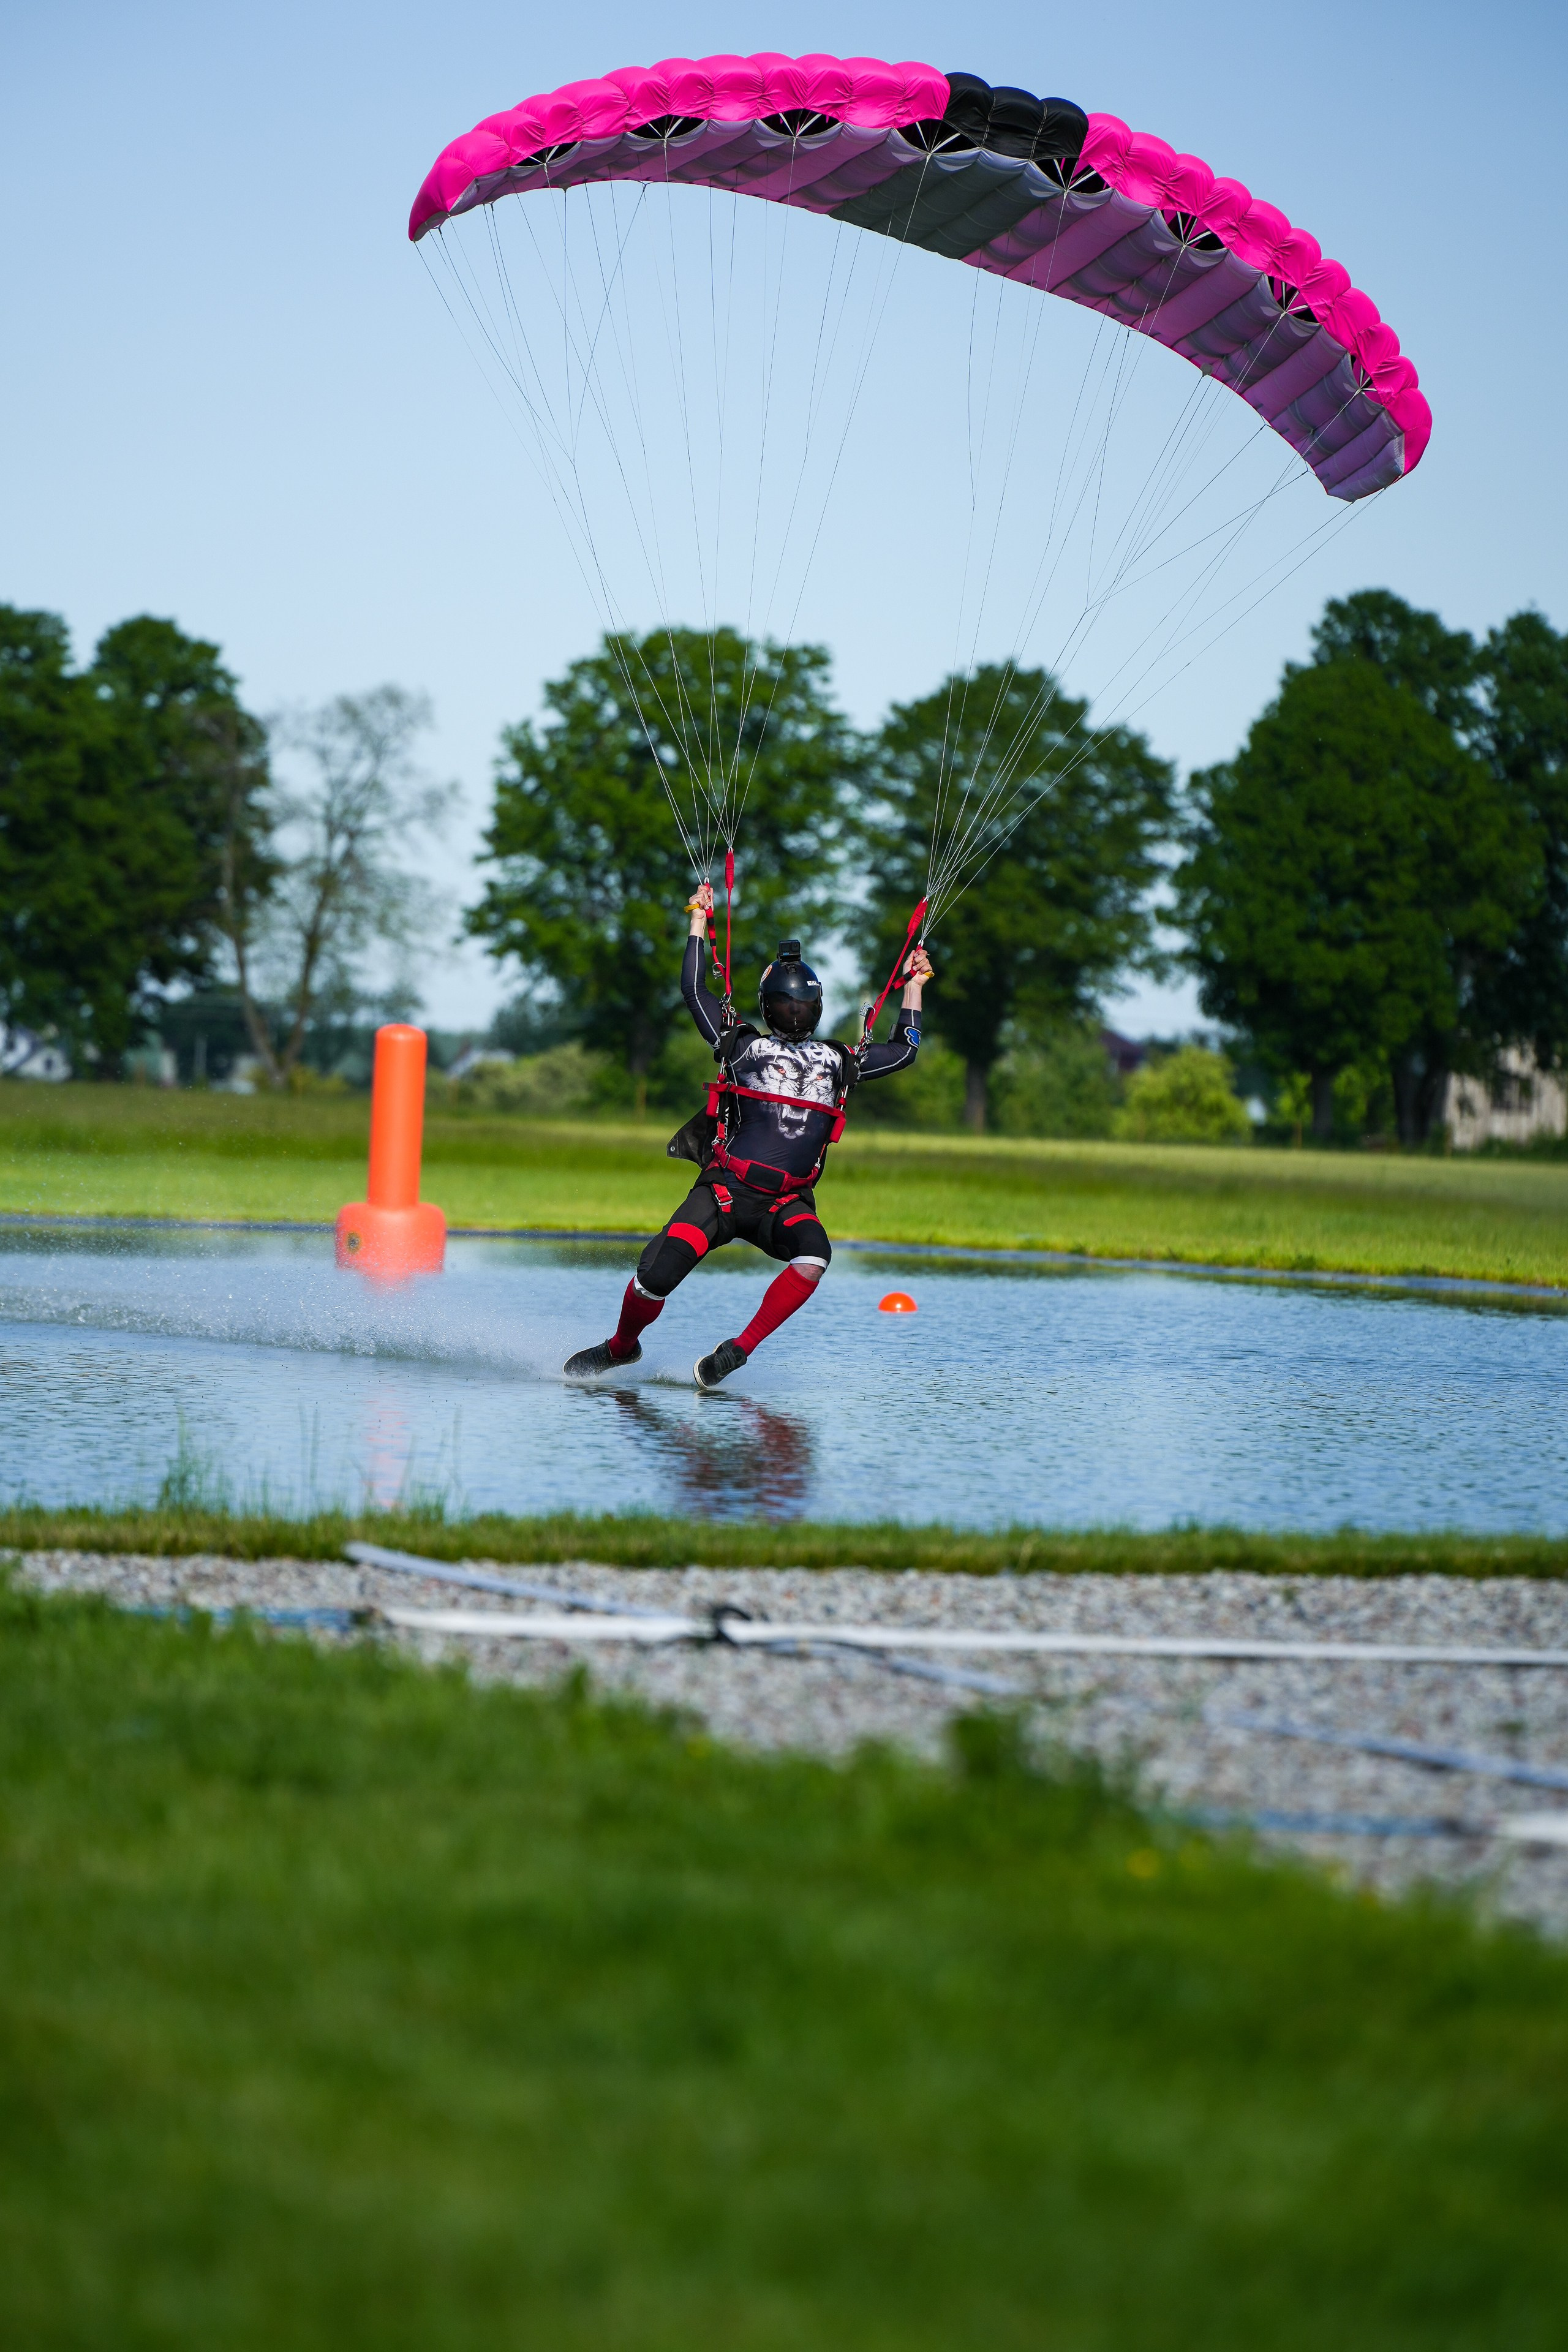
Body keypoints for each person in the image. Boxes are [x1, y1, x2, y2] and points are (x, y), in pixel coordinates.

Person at [565, 880, 933, 1390]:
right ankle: (621, 1348)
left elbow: (904, 1051)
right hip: (723, 1194)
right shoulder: (742, 1047)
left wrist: (915, 982)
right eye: (792, 1006)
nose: (797, 1014)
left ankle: (739, 1350)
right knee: (654, 1279)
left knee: (815, 1253)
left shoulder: (838, 1061)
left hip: (783, 1203)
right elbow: (696, 991)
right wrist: (699, 919)